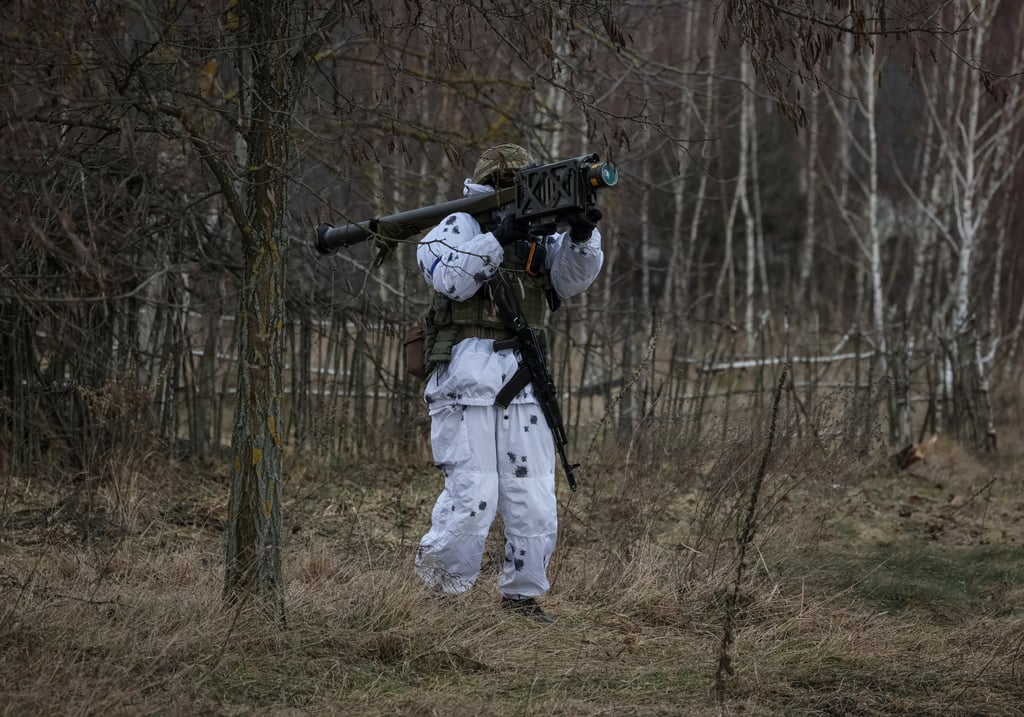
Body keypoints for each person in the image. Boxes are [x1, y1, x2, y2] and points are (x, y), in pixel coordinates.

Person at [412, 143, 605, 623]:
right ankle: (440, 594)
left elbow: (571, 281)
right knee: (473, 497)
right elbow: (450, 279)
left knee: (533, 498)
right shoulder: (456, 225)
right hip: (465, 378)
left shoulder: (541, 235)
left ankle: (522, 595)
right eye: (503, 185)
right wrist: (497, 237)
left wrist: (582, 235)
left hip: (524, 378)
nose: (512, 191)